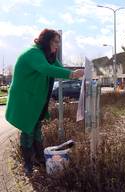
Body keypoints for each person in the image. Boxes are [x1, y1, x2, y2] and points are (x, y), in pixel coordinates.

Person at [5, 29, 84, 176]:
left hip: (36, 99)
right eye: (55, 42)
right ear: (46, 41)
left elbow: (59, 68)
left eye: (58, 42)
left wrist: (76, 73)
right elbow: (45, 69)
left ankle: (40, 159)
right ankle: (28, 165)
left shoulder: (49, 56)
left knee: (37, 128)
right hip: (25, 99)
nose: (57, 45)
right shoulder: (33, 53)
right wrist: (72, 74)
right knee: (27, 130)